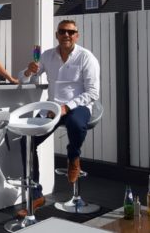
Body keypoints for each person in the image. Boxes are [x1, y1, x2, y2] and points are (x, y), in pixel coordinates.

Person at [15, 19, 100, 217]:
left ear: (77, 35)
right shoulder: (46, 56)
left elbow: (93, 92)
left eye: (71, 32)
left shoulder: (86, 57)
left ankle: (73, 155)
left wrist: (66, 107)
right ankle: (36, 194)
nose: (66, 35)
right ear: (57, 35)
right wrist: (29, 71)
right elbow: (22, 78)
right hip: (52, 107)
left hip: (78, 105)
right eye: (62, 31)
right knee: (27, 141)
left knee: (76, 123)